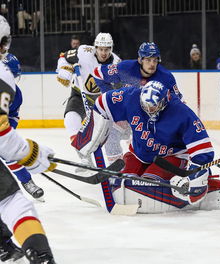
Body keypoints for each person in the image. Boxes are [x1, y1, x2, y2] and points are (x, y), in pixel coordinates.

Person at [91, 80, 220, 212]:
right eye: (145, 105)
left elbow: (201, 144)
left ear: (164, 101)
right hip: (139, 153)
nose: (148, 110)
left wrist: (198, 171)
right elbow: (103, 102)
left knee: (149, 182)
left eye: (153, 106)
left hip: (170, 157)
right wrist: (91, 129)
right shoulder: (132, 97)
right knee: (123, 181)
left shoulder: (180, 111)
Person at [0, 15, 56, 263]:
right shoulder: (2, 75)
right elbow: (2, 136)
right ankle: (40, 254)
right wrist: (31, 154)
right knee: (12, 201)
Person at [56, 32, 125, 170]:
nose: (103, 53)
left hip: (102, 101)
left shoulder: (117, 64)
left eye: (106, 49)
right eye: (100, 49)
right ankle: (84, 159)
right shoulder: (83, 51)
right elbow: (63, 57)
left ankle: (116, 164)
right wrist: (63, 68)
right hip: (79, 95)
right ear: (95, 47)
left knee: (106, 134)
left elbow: (120, 90)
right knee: (71, 120)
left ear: (111, 49)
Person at [2, 53, 44, 200]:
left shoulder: (16, 94)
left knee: (10, 153)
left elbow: (13, 116)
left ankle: (27, 181)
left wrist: (8, 133)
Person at [93, 41, 183, 101]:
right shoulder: (125, 68)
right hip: (128, 111)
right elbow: (97, 73)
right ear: (140, 60)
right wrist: (110, 97)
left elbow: (179, 102)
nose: (152, 64)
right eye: (148, 60)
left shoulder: (166, 77)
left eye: (155, 60)